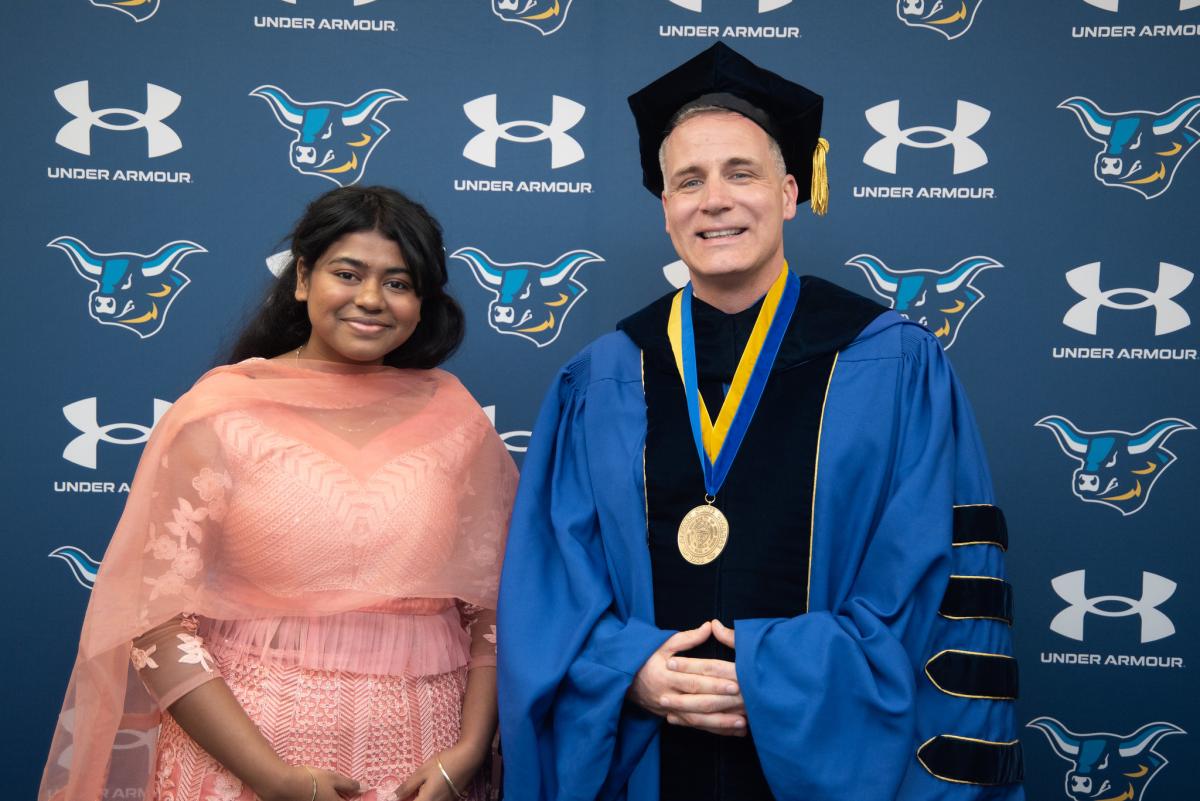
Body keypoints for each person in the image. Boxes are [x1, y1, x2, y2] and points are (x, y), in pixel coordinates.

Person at [497, 42, 1023, 801]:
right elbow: (552, 586)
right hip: (649, 761)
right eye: (688, 180)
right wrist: (629, 669)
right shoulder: (603, 376)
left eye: (740, 173)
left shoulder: (896, 365)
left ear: (789, 190)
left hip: (836, 757)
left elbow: (932, 585)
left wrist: (775, 678)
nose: (714, 199)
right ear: (668, 211)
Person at [40, 186, 517, 801]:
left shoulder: (455, 421)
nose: (371, 299)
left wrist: (470, 750)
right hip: (241, 769)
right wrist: (273, 779)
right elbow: (155, 624)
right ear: (302, 278)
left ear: (422, 301)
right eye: (348, 274)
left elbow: (494, 609)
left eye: (399, 283)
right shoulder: (221, 413)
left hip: (425, 768)